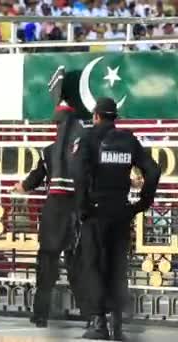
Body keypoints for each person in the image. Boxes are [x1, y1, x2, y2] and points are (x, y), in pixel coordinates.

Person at [74, 97, 161, 340]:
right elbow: (153, 170)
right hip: (121, 211)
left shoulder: (88, 139)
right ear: (115, 118)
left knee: (94, 265)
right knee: (117, 266)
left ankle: (100, 324)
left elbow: (79, 175)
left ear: (96, 116)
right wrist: (143, 202)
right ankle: (118, 326)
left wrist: (82, 207)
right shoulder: (128, 140)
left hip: (96, 212)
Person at [13, 103, 85, 327]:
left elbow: (35, 177)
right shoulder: (82, 150)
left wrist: (22, 186)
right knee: (78, 263)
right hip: (76, 209)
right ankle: (90, 315)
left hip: (54, 210)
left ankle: (40, 315)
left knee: (46, 263)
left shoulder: (48, 151)